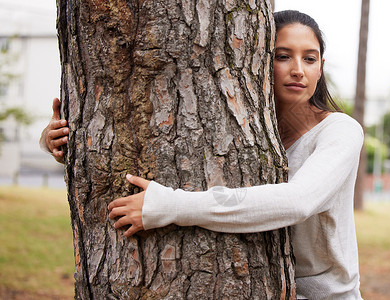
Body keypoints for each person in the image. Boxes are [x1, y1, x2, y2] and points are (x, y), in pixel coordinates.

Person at [41, 10, 364, 300]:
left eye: (309, 59)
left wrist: (173, 206)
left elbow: (297, 201)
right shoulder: (249, 132)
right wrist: (58, 140)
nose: (297, 70)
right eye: (282, 56)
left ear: (321, 68)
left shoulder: (339, 131)